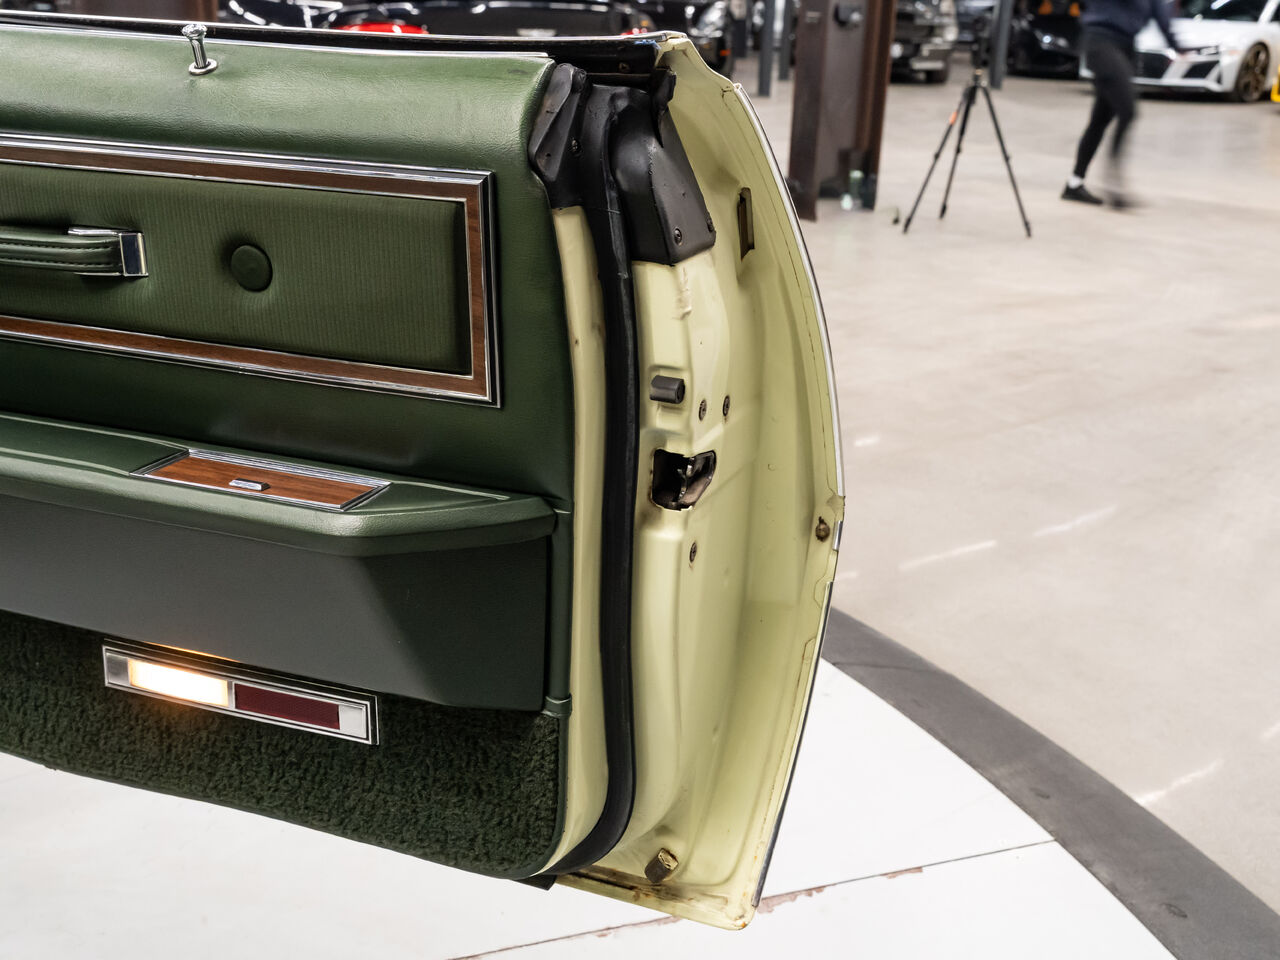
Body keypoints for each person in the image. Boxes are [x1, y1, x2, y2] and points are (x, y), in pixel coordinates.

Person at [1062, 0, 1182, 208]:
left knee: (1100, 118)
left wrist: (1177, 45)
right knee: (1128, 110)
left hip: (1125, 47)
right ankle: (1114, 186)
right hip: (1101, 42)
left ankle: (1074, 184)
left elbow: (1161, 15)